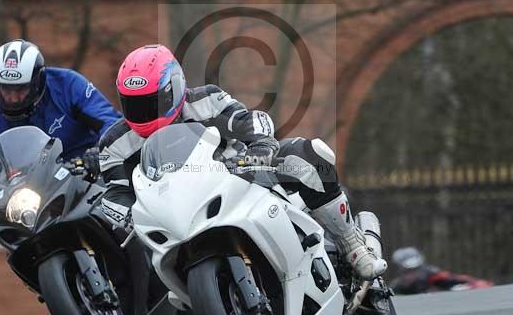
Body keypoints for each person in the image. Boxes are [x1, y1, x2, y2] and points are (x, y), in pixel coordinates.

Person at [99, 44, 386, 281]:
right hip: (177, 216)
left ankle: (350, 241)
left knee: (307, 154)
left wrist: (261, 145)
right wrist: (128, 215)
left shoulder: (206, 101)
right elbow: (113, 192)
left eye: (151, 102)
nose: (142, 112)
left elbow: (247, 120)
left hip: (240, 180)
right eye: (133, 104)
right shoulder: (114, 144)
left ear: (173, 88)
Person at [0, 39, 121, 209]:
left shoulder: (68, 85)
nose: (13, 99)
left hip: (88, 178)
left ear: (37, 83)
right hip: (32, 199)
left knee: (118, 213)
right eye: (6, 90)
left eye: (20, 90)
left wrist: (100, 152)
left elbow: (110, 121)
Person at [390, 246, 492, 294]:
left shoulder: (434, 277)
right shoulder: (395, 288)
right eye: (407, 272)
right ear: (400, 272)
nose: (411, 275)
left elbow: (473, 282)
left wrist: (474, 286)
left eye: (415, 270)